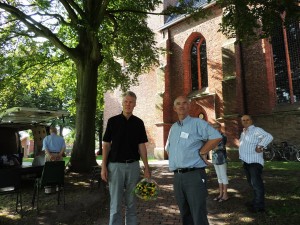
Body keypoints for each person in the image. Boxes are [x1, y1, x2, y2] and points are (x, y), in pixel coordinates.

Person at [165, 96, 222, 225]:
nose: (181, 106)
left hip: (194, 175)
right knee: (185, 213)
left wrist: (203, 151)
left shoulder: (198, 123)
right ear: (174, 108)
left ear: (189, 106)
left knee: (198, 213)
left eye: (184, 103)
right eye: (178, 104)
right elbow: (168, 148)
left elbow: (216, 137)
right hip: (177, 177)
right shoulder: (173, 128)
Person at [101, 91, 151, 225]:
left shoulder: (139, 123)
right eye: (126, 102)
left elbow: (141, 146)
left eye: (131, 102)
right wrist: (103, 167)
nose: (128, 104)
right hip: (115, 167)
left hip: (133, 166)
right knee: (115, 203)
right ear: (122, 103)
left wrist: (146, 167)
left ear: (135, 104)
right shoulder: (113, 121)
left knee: (131, 202)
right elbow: (106, 145)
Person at [239, 115, 273, 213]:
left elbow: (269, 136)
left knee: (257, 184)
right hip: (246, 162)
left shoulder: (256, 130)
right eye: (243, 120)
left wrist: (260, 146)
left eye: (247, 120)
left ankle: (259, 206)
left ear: (251, 121)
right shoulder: (243, 132)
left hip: (254, 162)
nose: (245, 121)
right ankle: (255, 201)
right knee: (252, 183)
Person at [211, 123, 229, 202]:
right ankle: (220, 194)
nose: (215, 129)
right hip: (215, 159)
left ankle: (225, 195)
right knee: (219, 177)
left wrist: (213, 147)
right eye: (213, 127)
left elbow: (222, 146)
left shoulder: (223, 136)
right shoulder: (213, 137)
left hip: (222, 159)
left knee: (223, 176)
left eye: (216, 127)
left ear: (220, 128)